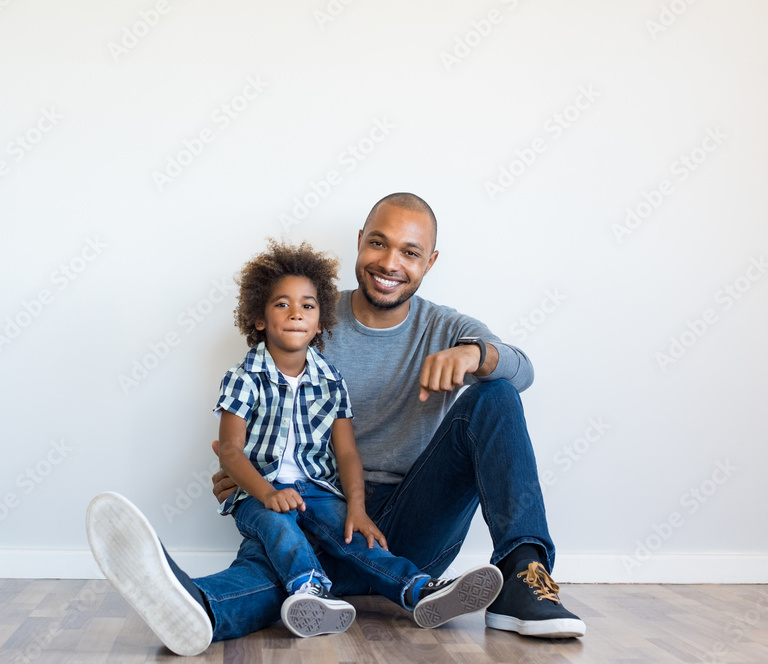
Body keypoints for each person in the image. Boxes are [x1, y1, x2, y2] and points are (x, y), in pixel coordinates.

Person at [86, 192, 585, 656]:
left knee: (495, 392)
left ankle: (523, 575)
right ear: (360, 242)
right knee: (284, 576)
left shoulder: (446, 327)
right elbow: (257, 422)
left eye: (410, 253)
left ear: (430, 263)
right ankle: (194, 604)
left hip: (411, 526)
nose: (390, 263)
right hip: (315, 507)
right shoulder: (308, 313)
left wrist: (478, 355)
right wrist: (250, 477)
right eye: (378, 243)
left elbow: (523, 369)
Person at [212, 240, 503, 639]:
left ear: (321, 322)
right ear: (259, 318)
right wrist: (265, 492)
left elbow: (346, 451)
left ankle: (419, 590)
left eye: (308, 306)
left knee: (357, 537)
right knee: (280, 530)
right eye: (282, 304)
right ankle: (309, 592)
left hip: (318, 490)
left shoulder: (330, 381)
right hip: (257, 496)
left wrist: (358, 507)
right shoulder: (243, 379)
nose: (296, 313)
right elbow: (229, 450)